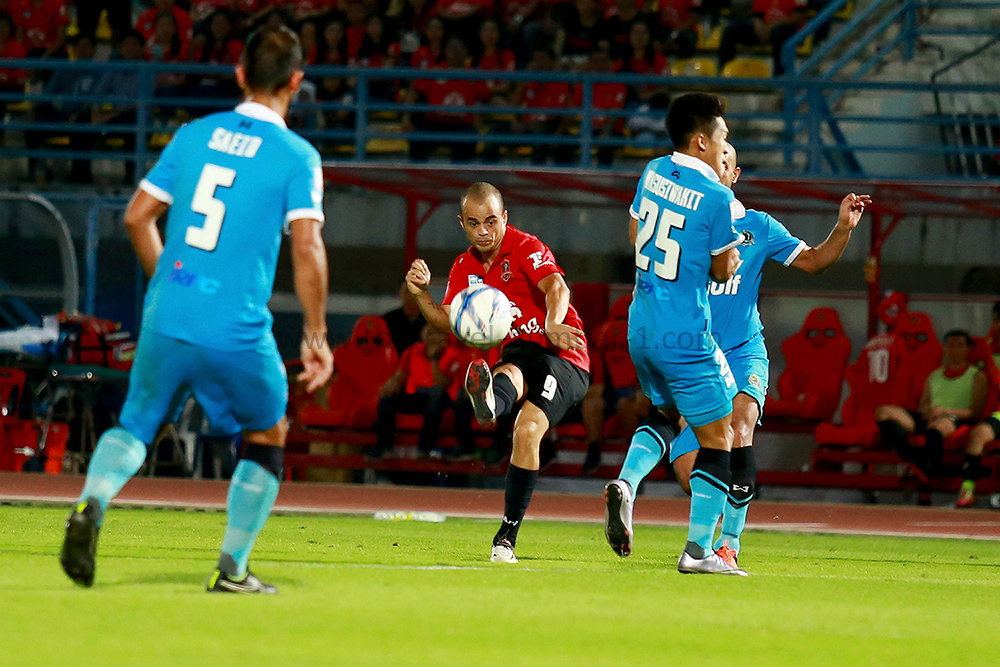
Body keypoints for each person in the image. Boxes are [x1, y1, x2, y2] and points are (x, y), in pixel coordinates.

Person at [59, 25, 333, 594]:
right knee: (268, 432)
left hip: (168, 313)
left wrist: (171, 285)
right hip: (237, 330)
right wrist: (315, 333)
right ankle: (232, 569)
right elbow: (307, 246)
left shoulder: (192, 135)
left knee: (136, 423)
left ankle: (91, 503)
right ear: (296, 81)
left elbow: (137, 217)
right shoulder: (297, 156)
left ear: (239, 74)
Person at [605, 144, 869, 569]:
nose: (719, 163)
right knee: (690, 471)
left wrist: (842, 228)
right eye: (715, 156)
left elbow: (815, 261)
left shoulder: (759, 226)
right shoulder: (687, 220)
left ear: (735, 174)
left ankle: (727, 544)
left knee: (740, 427)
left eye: (727, 159)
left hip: (743, 351)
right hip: (695, 347)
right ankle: (669, 521)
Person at [405, 182, 590, 563]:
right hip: (522, 351)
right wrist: (421, 294)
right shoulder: (464, 267)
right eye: (474, 223)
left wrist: (553, 323)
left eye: (491, 221)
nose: (484, 231)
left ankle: (507, 533)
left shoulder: (525, 246)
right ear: (462, 224)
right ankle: (490, 404)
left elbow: (556, 287)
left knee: (527, 423)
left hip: (564, 355)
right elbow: (446, 321)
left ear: (505, 217)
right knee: (515, 391)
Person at [604, 92, 745, 575]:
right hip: (685, 334)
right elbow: (723, 270)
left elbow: (634, 236)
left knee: (666, 412)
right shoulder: (718, 197)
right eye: (723, 135)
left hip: (641, 326)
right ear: (702, 140)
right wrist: (728, 257)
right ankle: (699, 552)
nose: (726, 143)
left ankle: (626, 483)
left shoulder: (653, 171)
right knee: (720, 436)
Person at [876, 330, 987, 477]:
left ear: (969, 349)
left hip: (954, 417)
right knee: (884, 412)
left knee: (938, 426)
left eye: (959, 346)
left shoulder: (976, 376)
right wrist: (928, 410)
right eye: (950, 345)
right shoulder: (935, 375)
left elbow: (975, 412)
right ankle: (909, 454)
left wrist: (944, 412)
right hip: (930, 416)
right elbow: (923, 404)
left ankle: (931, 467)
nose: (954, 350)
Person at [372, 325, 461, 459]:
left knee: (435, 393)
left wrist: (434, 358)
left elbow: (442, 383)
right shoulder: (413, 351)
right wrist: (394, 382)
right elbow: (401, 374)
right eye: (429, 334)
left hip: (443, 399)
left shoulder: (453, 353)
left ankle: (425, 448)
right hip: (416, 396)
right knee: (388, 396)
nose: (432, 338)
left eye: (437, 334)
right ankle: (384, 447)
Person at [383, 279, 427, 355]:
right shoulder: (388, 320)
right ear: (399, 293)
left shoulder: (430, 320)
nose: (411, 295)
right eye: (407, 291)